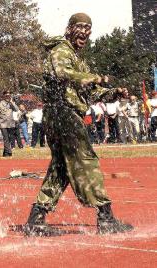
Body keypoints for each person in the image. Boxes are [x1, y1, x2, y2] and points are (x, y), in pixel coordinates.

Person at [24, 13, 133, 236]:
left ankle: (37, 217)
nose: (84, 32)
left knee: (61, 168)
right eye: (80, 27)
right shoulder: (62, 50)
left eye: (88, 28)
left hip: (60, 115)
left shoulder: (77, 58)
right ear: (70, 28)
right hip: (63, 113)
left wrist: (113, 92)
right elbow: (64, 74)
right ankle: (106, 217)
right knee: (86, 160)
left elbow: (89, 91)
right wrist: (93, 77)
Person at [0, 90, 19, 157]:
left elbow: (17, 109)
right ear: (4, 96)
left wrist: (12, 102)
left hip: (10, 124)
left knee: (10, 138)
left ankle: (5, 153)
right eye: (6, 96)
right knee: (6, 138)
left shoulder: (11, 103)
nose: (8, 97)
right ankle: (9, 152)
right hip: (3, 124)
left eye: (9, 95)